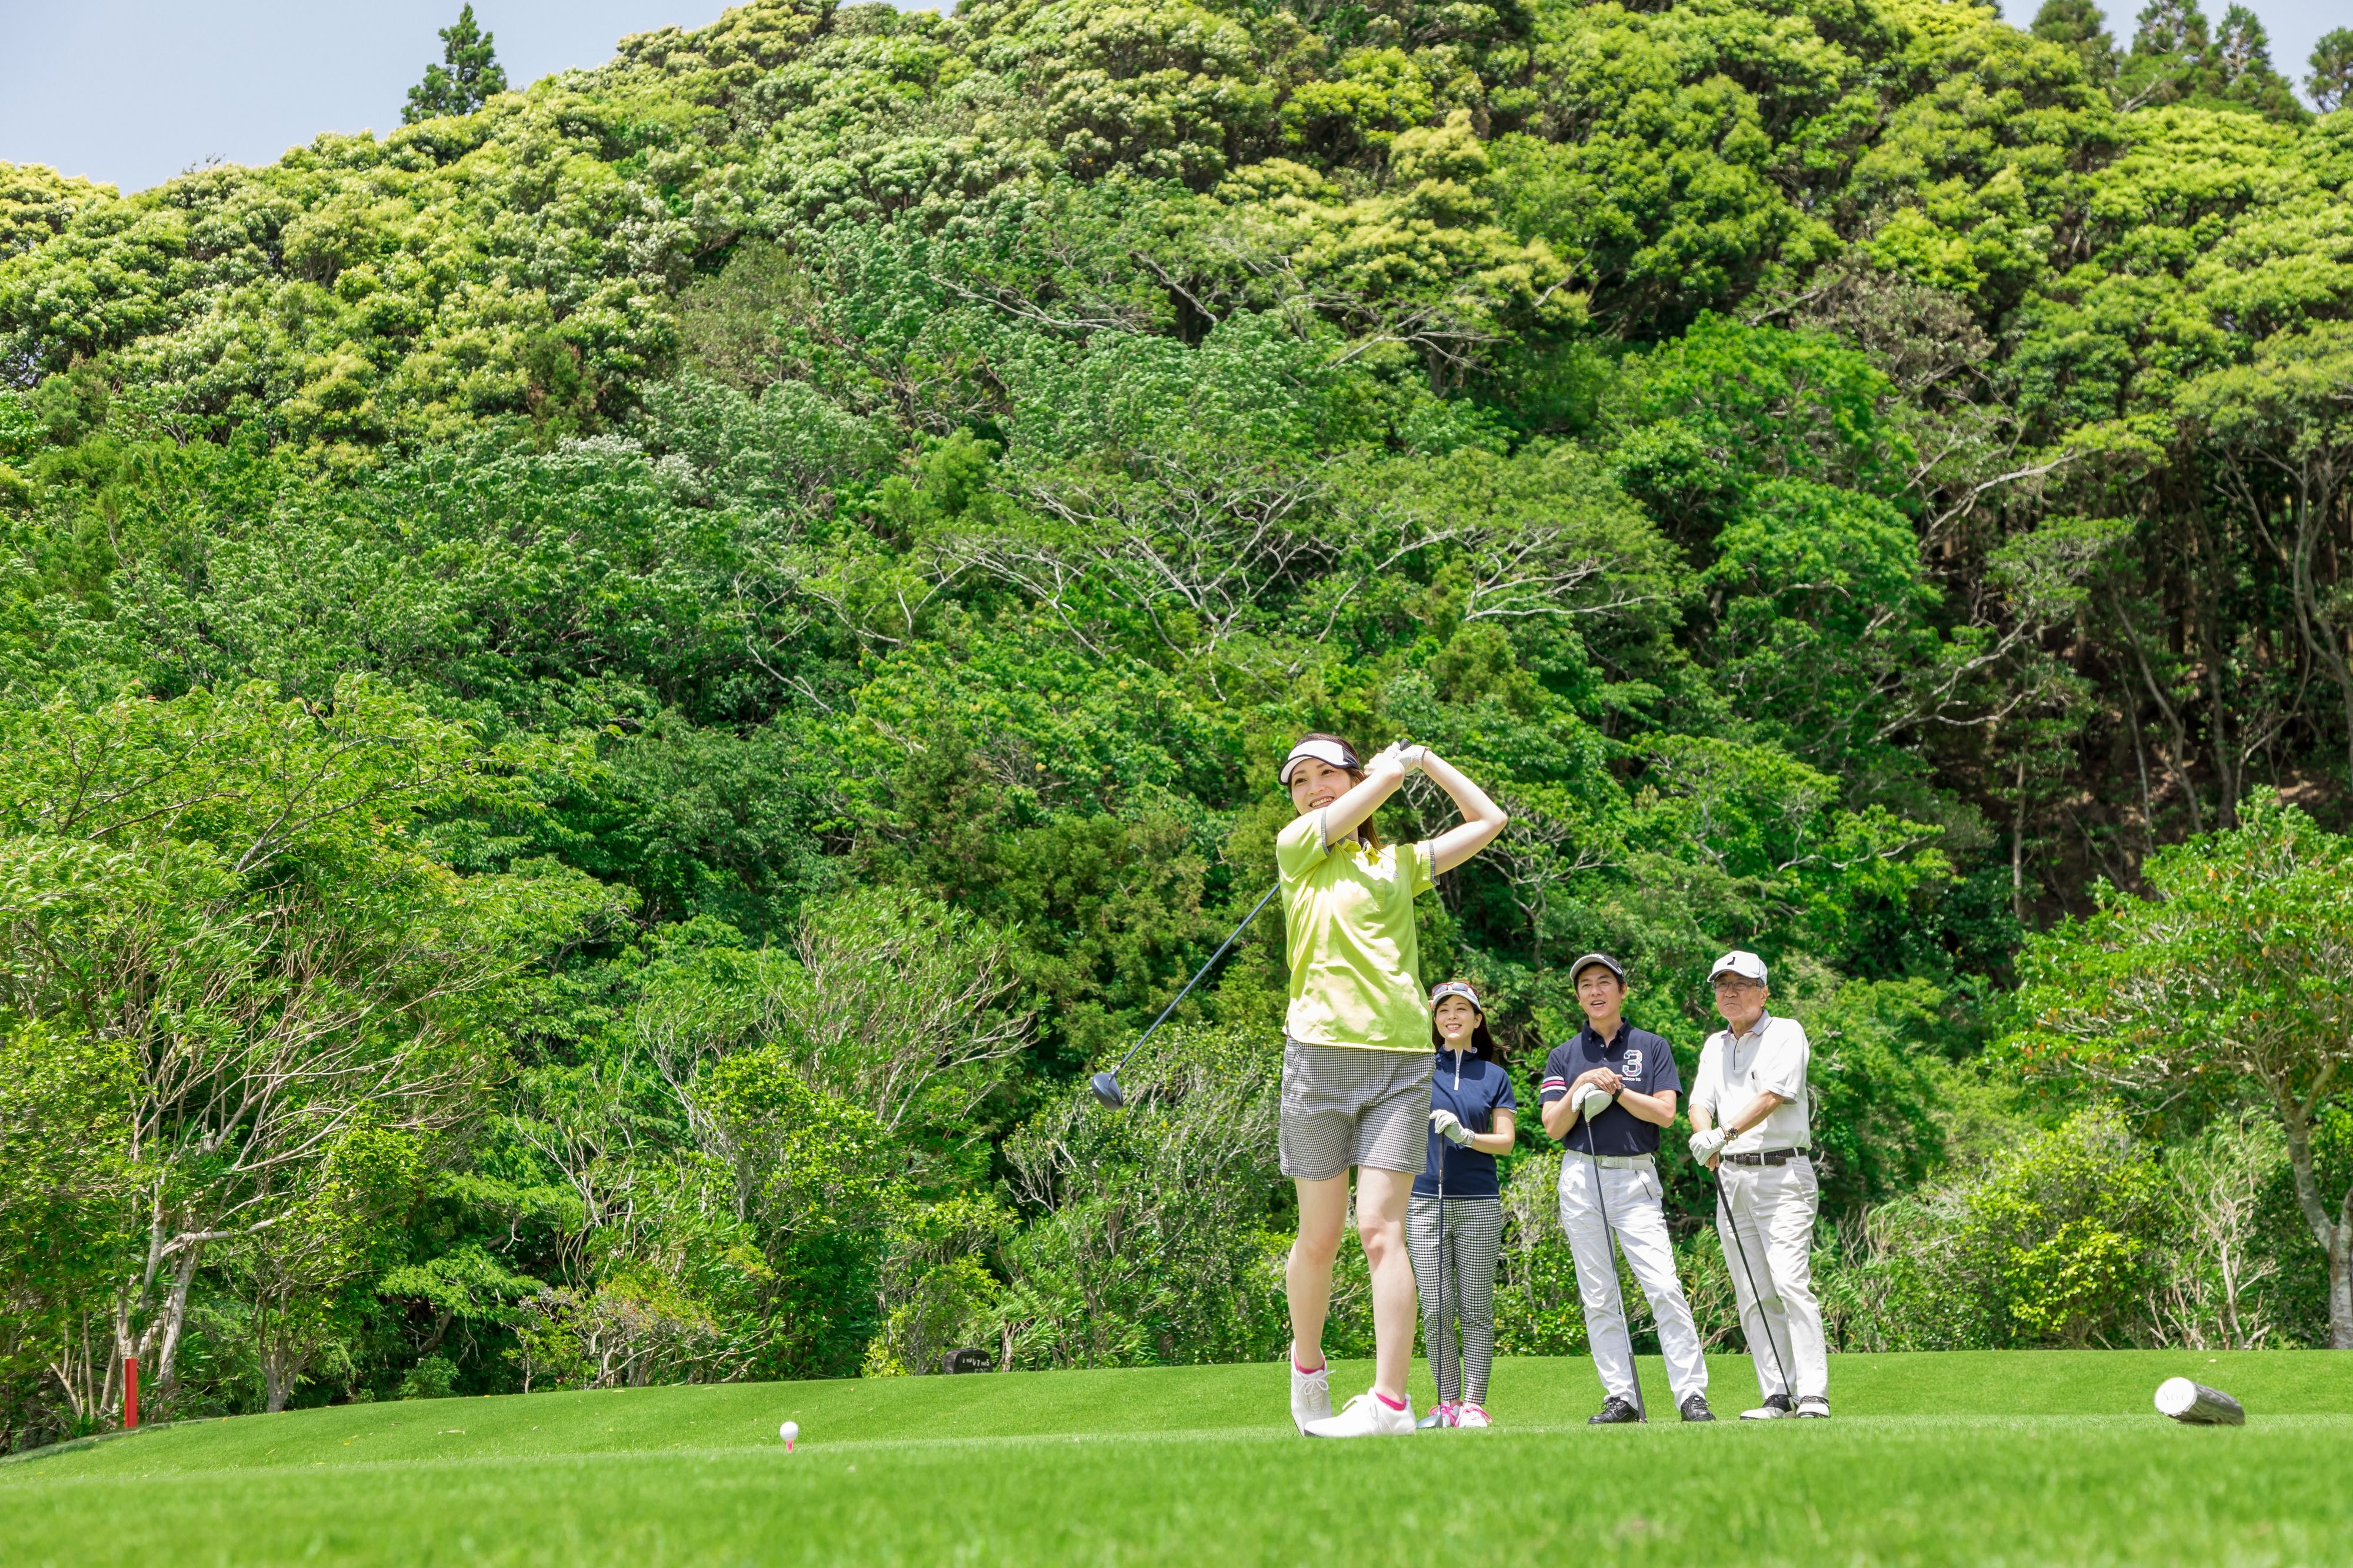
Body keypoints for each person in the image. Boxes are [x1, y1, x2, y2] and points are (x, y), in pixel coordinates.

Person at [1277, 734, 1508, 1439]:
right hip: (1318, 1057)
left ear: (1351, 776)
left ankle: (1390, 1402)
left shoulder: (1397, 863)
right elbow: (1358, 803)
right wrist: (1385, 774)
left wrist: (1425, 760)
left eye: (1327, 773)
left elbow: (1489, 819)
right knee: (1318, 1237)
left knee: (1381, 1230)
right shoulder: (1296, 847)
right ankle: (1308, 1363)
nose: (1312, 787)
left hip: (1400, 1060)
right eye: (1300, 779)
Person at [1537, 953, 1714, 1424]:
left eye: (1604, 982)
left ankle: (1691, 1396)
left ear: (1622, 991)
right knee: (1599, 1296)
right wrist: (1581, 1084)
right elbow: (1553, 1126)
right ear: (1578, 997)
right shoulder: (1564, 1055)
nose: (1594, 991)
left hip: (1634, 1177)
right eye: (1585, 985)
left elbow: (1665, 1114)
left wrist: (1616, 1090)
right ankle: (1622, 1396)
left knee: (1664, 1287)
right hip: (1581, 1176)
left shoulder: (1651, 1046)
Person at [1687, 950, 1828, 1419]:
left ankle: (1813, 1394)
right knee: (1752, 1292)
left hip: (1783, 1175)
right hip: (1732, 1176)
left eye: (1741, 984)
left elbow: (1772, 1096)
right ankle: (1778, 1394)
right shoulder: (1714, 1044)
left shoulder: (1786, 1032)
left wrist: (1722, 1135)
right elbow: (1701, 1102)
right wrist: (1704, 1137)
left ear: (1763, 993)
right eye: (1722, 984)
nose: (1729, 992)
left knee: (1789, 1283)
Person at [1410, 980, 1517, 1430]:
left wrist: (1467, 1136)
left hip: (1479, 1202)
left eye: (1461, 1009)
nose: (1451, 1017)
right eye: (1443, 1011)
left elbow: (1506, 1142)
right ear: (1434, 1020)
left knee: (1474, 1308)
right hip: (1423, 1202)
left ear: (1477, 1019)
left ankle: (1473, 1404)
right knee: (1436, 1308)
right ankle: (1446, 1402)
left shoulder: (1494, 1076)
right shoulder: (1417, 1066)